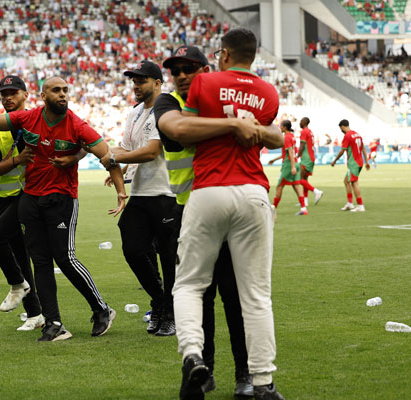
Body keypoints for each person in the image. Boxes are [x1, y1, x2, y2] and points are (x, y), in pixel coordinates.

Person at [0, 76, 127, 342]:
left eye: (65, 90)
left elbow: (106, 155)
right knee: (40, 262)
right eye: (56, 90)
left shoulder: (77, 124)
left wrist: (120, 191)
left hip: (62, 199)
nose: (63, 94)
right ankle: (54, 323)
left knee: (66, 258)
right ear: (42, 95)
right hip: (30, 199)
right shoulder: (27, 119)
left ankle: (102, 309)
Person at [159, 29, 286, 400]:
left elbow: (184, 132)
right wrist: (244, 126)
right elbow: (275, 135)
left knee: (189, 285)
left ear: (224, 54)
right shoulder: (268, 92)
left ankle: (193, 357)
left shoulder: (205, 83)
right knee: (257, 295)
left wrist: (228, 123)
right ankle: (262, 381)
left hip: (210, 189)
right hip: (253, 191)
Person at [155, 45, 253, 398]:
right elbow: (177, 134)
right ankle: (202, 371)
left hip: (228, 211)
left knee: (233, 297)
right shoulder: (168, 103)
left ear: (207, 68)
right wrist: (230, 126)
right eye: (175, 69)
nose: (181, 75)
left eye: (189, 68)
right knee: (200, 297)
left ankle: (244, 374)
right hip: (186, 212)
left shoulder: (219, 103)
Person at [99, 61, 180, 337]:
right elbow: (128, 147)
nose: (136, 85)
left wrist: (116, 157)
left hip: (166, 193)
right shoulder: (134, 113)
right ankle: (160, 301)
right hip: (142, 192)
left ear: (158, 83)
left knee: (169, 257)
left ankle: (170, 313)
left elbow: (151, 151)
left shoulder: (165, 110)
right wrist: (119, 165)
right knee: (133, 248)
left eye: (142, 80)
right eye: (134, 80)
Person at [0, 75, 44, 331]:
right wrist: (18, 161)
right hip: (5, 199)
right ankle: (36, 314)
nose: (8, 97)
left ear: (25, 95)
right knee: (20, 254)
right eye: (4, 93)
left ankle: (19, 287)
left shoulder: (37, 121)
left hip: (30, 197)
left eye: (13, 92)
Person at [268, 120, 308, 216]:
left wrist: (293, 167)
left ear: (285, 127)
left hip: (289, 164)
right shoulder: (292, 137)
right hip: (295, 162)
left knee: (279, 186)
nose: (280, 128)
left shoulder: (286, 138)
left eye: (281, 126)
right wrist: (274, 159)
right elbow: (287, 153)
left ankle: (273, 208)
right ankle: (303, 209)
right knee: (296, 186)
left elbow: (290, 152)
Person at [331, 119, 370, 212]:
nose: (341, 130)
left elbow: (342, 150)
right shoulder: (357, 134)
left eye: (340, 128)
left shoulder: (347, 136)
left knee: (354, 183)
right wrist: (367, 161)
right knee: (346, 181)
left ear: (343, 127)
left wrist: (335, 161)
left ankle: (360, 206)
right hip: (359, 162)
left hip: (354, 163)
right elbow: (363, 148)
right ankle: (350, 203)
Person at [296, 117, 324, 205]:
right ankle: (305, 201)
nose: (299, 123)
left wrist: (297, 155)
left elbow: (302, 145)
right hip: (311, 156)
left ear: (304, 122)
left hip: (306, 157)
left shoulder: (304, 132)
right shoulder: (310, 131)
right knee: (305, 179)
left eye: (300, 121)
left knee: (298, 178)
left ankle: (316, 191)